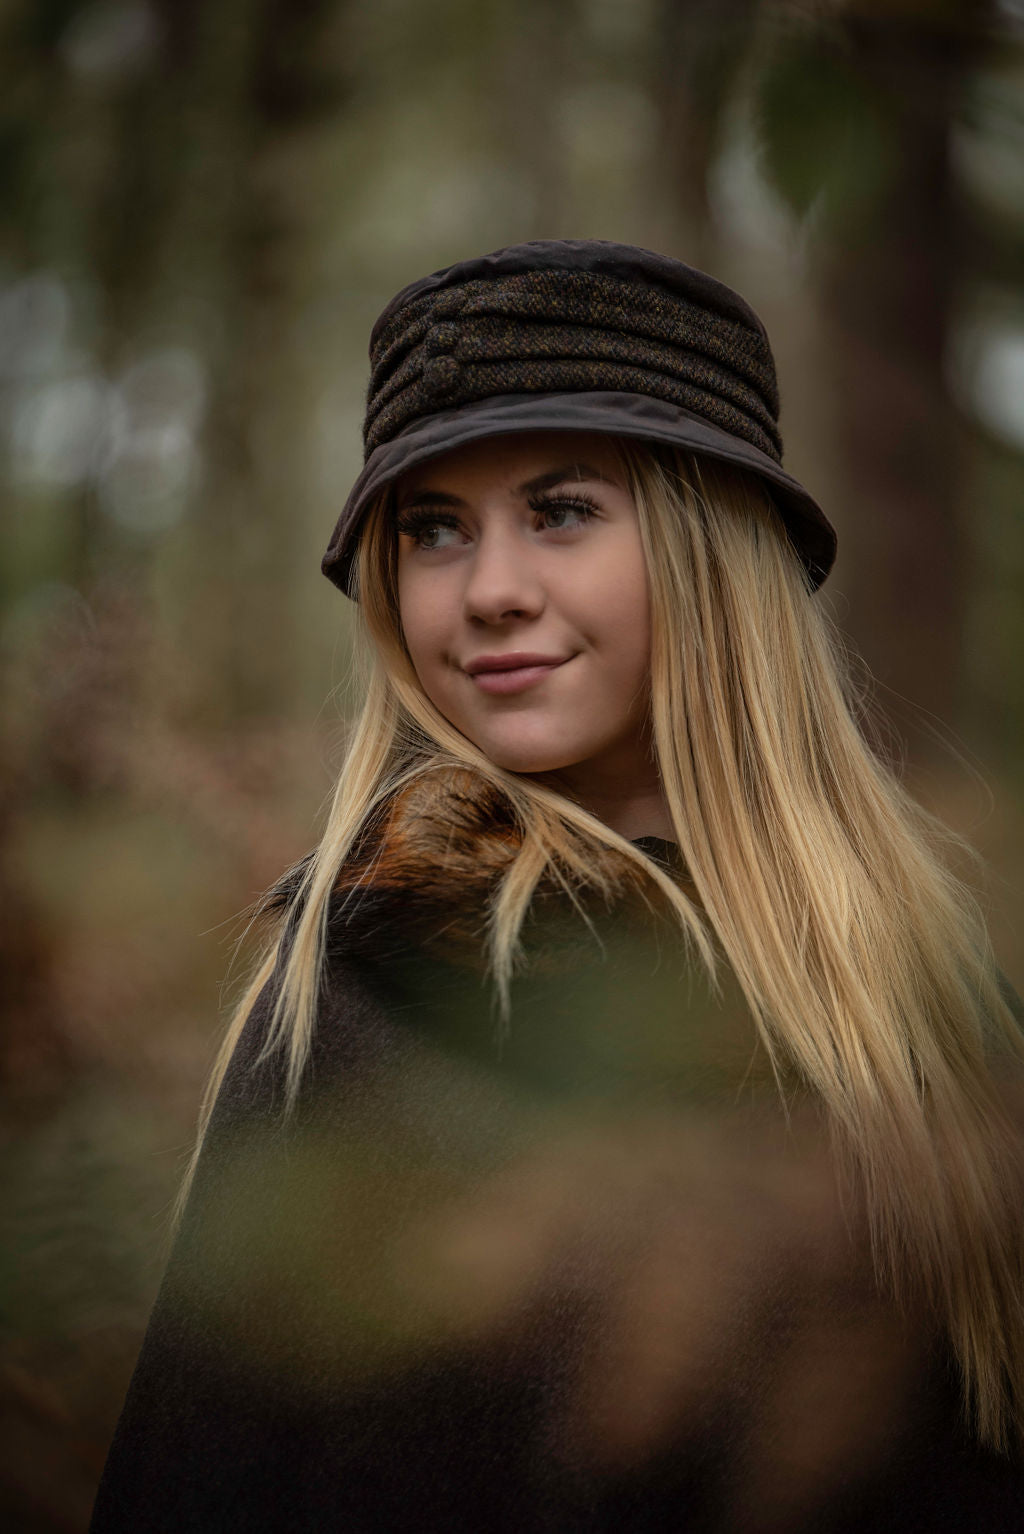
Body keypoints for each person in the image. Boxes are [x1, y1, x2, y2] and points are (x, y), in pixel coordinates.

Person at [90, 239, 1024, 1532]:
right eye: (433, 529)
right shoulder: (353, 994)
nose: (490, 592)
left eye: (564, 510)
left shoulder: (930, 993)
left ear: (715, 551)